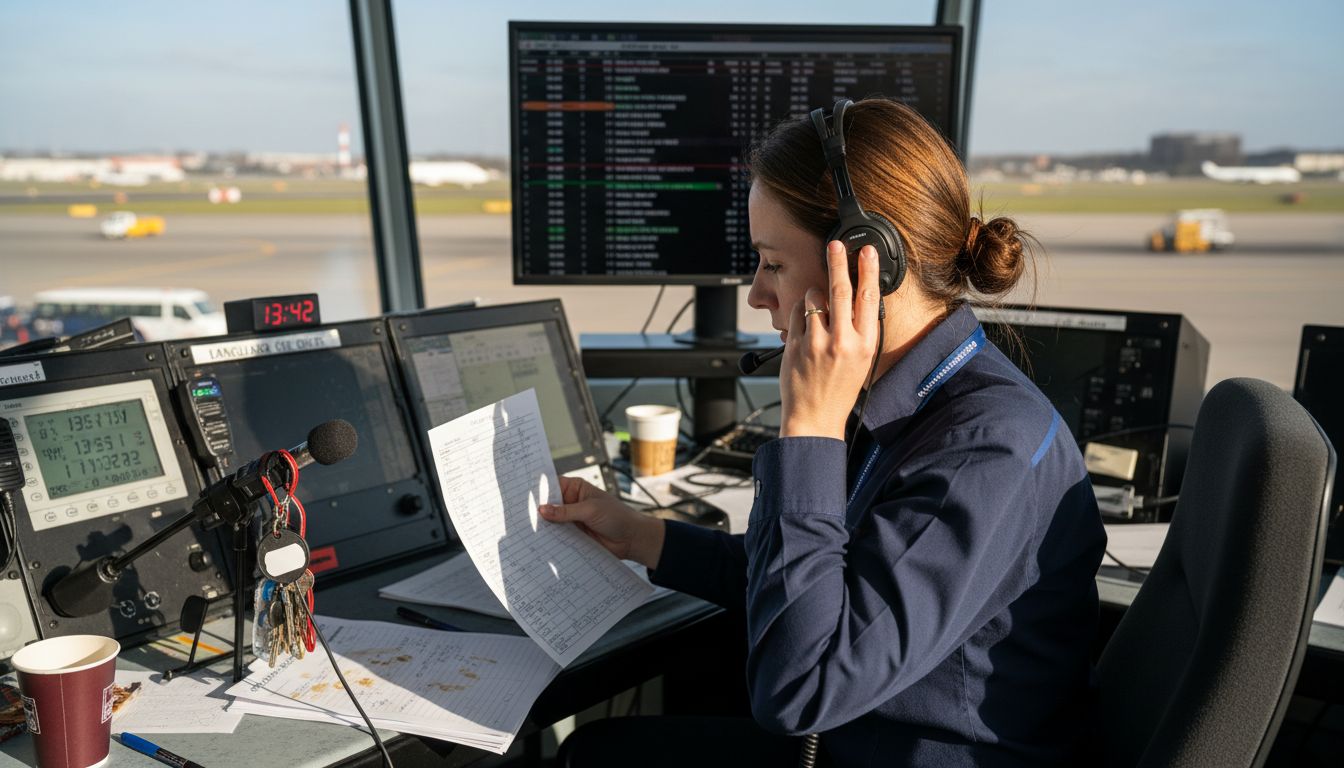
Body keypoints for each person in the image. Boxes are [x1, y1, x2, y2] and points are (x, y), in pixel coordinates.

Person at [543, 98, 1106, 767]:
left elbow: (799, 691)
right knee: (600, 750)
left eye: (772, 263)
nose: (756, 293)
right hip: (862, 742)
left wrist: (810, 427)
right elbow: (815, 579)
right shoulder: (910, 399)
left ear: (869, 264)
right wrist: (642, 536)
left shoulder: (986, 451)